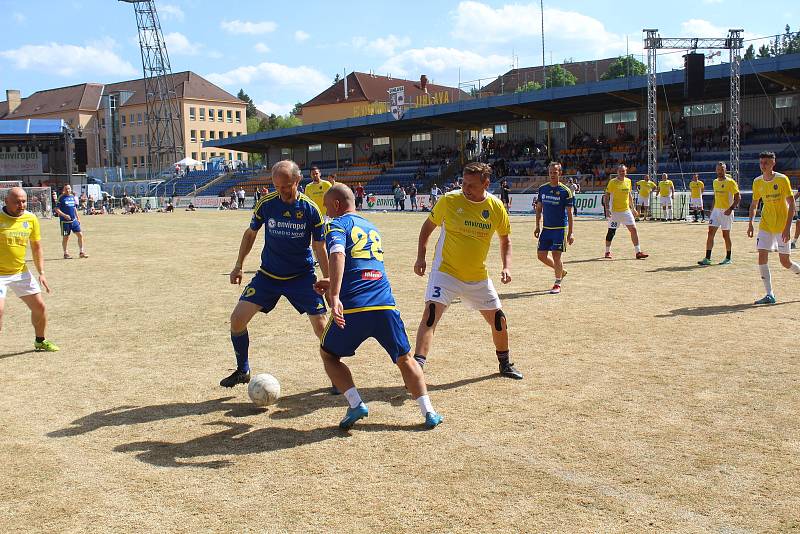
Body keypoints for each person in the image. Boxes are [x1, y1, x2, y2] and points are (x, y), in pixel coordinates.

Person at [313, 185, 442, 430]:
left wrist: (335, 293)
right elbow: (363, 267)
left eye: (327, 206)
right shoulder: (371, 227)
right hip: (384, 303)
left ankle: (355, 403)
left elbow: (338, 255)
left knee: (329, 355)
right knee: (405, 359)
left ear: (337, 205)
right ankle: (429, 412)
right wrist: (332, 282)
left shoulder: (337, 225)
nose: (326, 211)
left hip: (353, 306)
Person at [220, 160, 330, 387]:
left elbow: (320, 246)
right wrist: (239, 265)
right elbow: (250, 234)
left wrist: (328, 280)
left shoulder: (311, 209)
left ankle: (338, 379)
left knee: (323, 328)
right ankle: (243, 370)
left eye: (286, 186)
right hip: (268, 275)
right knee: (237, 320)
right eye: (277, 186)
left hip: (301, 277)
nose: (281, 191)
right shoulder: (267, 203)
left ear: (297, 181)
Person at [412, 162, 522, 379]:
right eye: (464, 183)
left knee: (499, 319)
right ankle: (416, 368)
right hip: (445, 271)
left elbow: (505, 239)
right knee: (431, 314)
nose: (465, 188)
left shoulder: (496, 206)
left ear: (486, 183)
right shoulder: (449, 200)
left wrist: (507, 266)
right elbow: (427, 228)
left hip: (477, 276)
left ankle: (505, 364)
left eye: (471, 185)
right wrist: (421, 257)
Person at [0, 188, 59, 352]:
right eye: (17, 202)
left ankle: (40, 340)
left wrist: (41, 272)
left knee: (40, 307)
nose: (21, 205)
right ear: (6, 202)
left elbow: (36, 246)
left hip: (20, 272)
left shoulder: (31, 218)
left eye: (24, 201)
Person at [747, 151, 800, 304]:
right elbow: (754, 204)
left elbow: (792, 206)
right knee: (761, 256)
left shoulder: (782, 180)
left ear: (773, 164)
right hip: (765, 225)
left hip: (782, 225)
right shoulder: (757, 182)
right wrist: (750, 222)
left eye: (766, 163)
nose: (763, 166)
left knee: (785, 262)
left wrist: (787, 228)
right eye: (761, 162)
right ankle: (770, 294)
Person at [534, 162, 574, 294]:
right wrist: (537, 226)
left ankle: (557, 283)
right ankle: (561, 271)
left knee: (556, 256)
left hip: (559, 229)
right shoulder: (542, 189)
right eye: (550, 172)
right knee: (541, 256)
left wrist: (570, 233)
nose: (552, 174)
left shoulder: (565, 191)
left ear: (560, 173)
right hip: (546, 229)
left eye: (555, 172)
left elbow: (569, 213)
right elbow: (539, 209)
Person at [604, 164, 648, 260]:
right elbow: (606, 196)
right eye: (620, 171)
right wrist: (607, 209)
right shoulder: (612, 182)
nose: (622, 173)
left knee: (633, 229)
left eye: (623, 171)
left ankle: (638, 252)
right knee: (611, 232)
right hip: (614, 212)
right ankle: (607, 251)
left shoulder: (628, 181)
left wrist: (633, 208)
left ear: (626, 172)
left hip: (626, 211)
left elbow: (629, 195)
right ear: (617, 172)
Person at [698, 163, 740, 266]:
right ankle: (707, 258)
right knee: (710, 233)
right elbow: (715, 197)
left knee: (725, 235)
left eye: (722, 169)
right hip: (716, 211)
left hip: (727, 212)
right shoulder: (715, 182)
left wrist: (731, 209)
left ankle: (728, 257)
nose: (720, 171)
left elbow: (738, 197)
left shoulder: (730, 182)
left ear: (725, 170)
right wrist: (712, 210)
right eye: (718, 169)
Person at [54, 184, 88, 259]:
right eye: (66, 189)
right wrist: (64, 215)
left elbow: (74, 208)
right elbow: (56, 209)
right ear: (64, 190)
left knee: (80, 235)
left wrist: (78, 218)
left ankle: (81, 252)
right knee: (66, 237)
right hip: (65, 222)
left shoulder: (72, 197)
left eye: (69, 189)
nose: (68, 190)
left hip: (74, 221)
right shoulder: (61, 198)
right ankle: (65, 253)